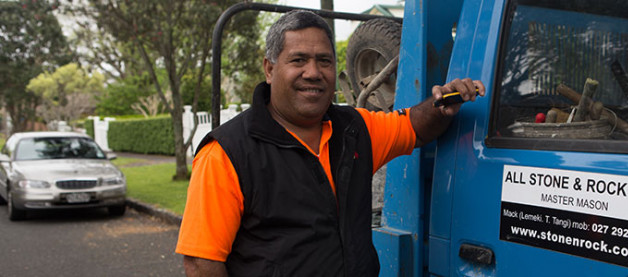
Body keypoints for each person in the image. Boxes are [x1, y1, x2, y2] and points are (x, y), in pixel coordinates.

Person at [175, 10, 485, 277]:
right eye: (298, 60)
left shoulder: (356, 129)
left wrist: (441, 104)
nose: (313, 72)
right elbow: (202, 264)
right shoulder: (226, 154)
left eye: (323, 60)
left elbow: (412, 126)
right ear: (270, 69)